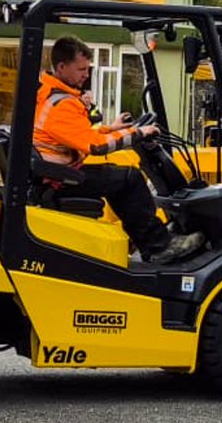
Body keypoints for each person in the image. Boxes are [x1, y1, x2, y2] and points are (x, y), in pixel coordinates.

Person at [34, 36, 204, 264]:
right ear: (62, 67)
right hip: (59, 180)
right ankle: (158, 246)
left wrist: (112, 128)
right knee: (129, 178)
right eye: (81, 69)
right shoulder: (61, 104)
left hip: (57, 174)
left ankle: (148, 238)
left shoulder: (53, 96)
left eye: (88, 69)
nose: (86, 74)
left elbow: (78, 134)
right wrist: (138, 134)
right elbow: (96, 146)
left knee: (116, 175)